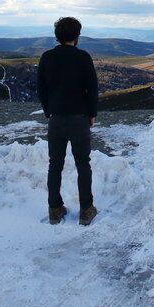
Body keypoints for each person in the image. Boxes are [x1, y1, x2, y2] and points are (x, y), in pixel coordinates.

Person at [37, 17, 99, 226]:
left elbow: (41, 88)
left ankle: (54, 210)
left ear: (57, 36)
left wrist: (48, 111)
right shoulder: (83, 57)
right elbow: (92, 88)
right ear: (77, 36)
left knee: (55, 165)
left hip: (56, 119)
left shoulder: (47, 57)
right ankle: (86, 210)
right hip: (79, 118)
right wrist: (92, 113)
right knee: (83, 165)